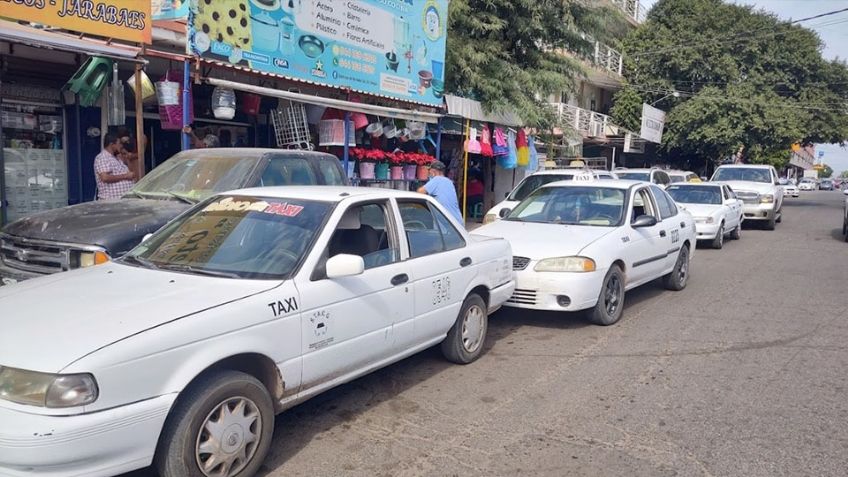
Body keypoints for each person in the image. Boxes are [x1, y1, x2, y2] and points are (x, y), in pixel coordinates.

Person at [417, 160, 463, 225]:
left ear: (434, 172)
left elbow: (420, 192)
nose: (428, 174)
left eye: (429, 172)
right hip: (458, 221)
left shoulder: (437, 180)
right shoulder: (449, 182)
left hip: (447, 224)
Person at [94, 133, 136, 200]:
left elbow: (131, 172)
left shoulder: (117, 158)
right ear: (112, 145)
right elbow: (105, 178)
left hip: (124, 199)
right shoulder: (103, 157)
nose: (121, 146)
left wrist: (127, 157)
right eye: (119, 143)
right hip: (112, 200)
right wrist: (125, 176)